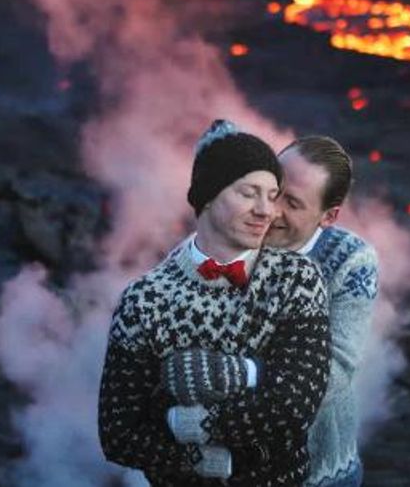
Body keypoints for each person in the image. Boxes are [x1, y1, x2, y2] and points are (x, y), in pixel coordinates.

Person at [98, 120, 331, 486]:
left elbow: (295, 405)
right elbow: (119, 434)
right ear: (208, 196)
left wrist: (184, 419)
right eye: (248, 193)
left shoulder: (297, 279)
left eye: (272, 195)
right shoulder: (144, 301)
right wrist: (208, 460)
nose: (265, 210)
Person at [263, 136, 379, 487]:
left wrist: (237, 380)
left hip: (319, 474)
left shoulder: (351, 261)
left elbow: (335, 369)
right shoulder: (233, 231)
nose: (271, 210)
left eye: (293, 203)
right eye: (273, 189)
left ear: (328, 217)